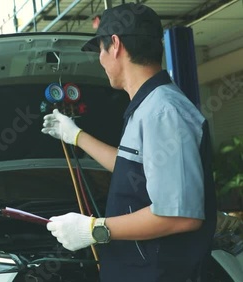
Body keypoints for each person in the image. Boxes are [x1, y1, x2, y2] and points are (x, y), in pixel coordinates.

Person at [41, 3, 216, 282]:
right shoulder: (148, 106)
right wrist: (76, 136)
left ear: (116, 44)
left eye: (100, 49)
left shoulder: (163, 111)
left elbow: (181, 216)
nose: (100, 59)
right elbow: (134, 170)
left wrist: (95, 228)